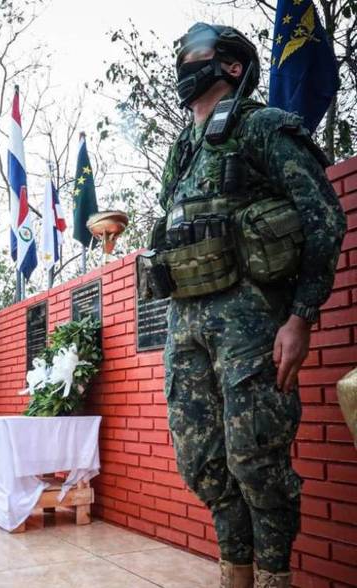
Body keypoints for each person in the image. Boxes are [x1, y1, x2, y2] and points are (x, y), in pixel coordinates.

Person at [151, 23, 347, 588]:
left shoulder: (263, 127)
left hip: (252, 325)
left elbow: (323, 220)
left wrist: (302, 316)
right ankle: (233, 571)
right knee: (202, 463)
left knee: (258, 462)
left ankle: (273, 577)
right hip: (186, 325)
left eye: (195, 54)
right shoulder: (182, 150)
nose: (183, 63)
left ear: (232, 67)